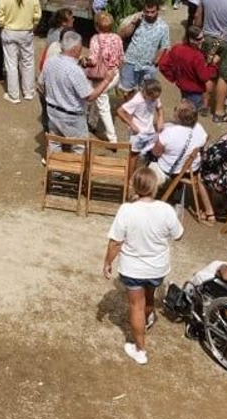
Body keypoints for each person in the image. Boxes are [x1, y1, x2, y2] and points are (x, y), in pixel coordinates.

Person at [104, 166, 183, 365]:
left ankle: (140, 349)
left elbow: (115, 242)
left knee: (136, 306)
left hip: (134, 268)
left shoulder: (127, 210)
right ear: (155, 186)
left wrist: (107, 262)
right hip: (157, 267)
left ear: (134, 186)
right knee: (149, 298)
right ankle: (145, 322)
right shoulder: (166, 209)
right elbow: (179, 235)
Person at [39, 30, 111, 145]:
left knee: (54, 143)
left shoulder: (50, 61)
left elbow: (41, 84)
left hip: (52, 111)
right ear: (75, 49)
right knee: (80, 147)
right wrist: (107, 80)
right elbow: (90, 96)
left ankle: (54, 162)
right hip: (72, 117)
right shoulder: (74, 70)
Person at [0, 0, 40, 105]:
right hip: (26, 31)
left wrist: (2, 27)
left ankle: (14, 95)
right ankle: (29, 92)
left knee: (11, 64)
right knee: (28, 62)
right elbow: (37, 14)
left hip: (9, 31)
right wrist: (33, 26)